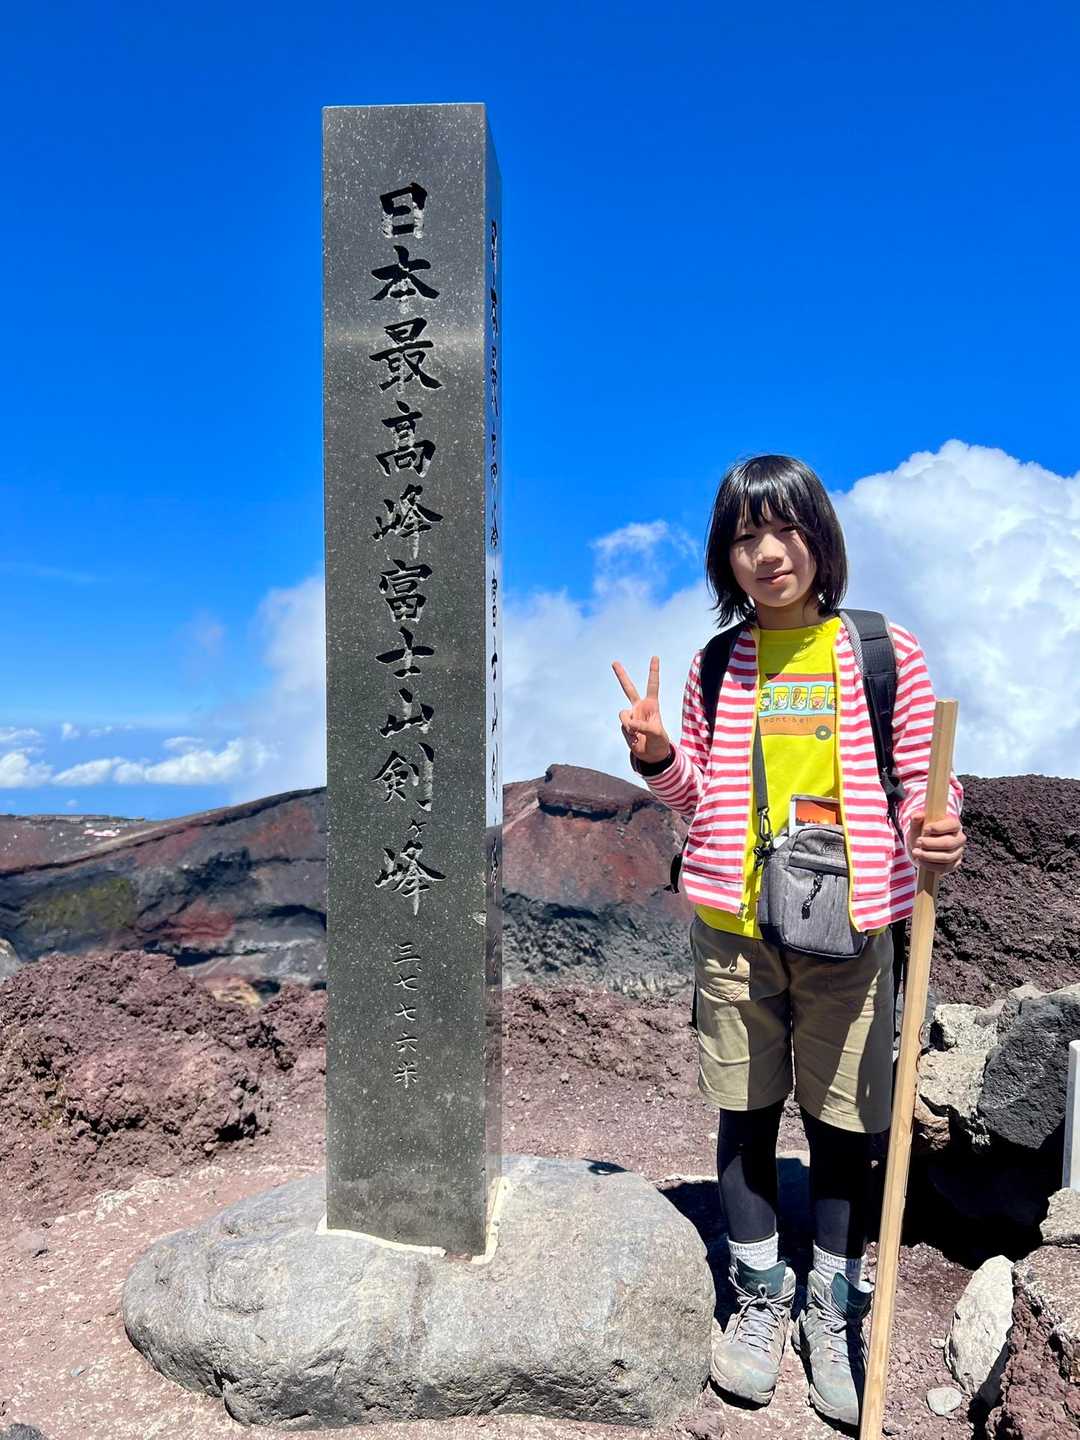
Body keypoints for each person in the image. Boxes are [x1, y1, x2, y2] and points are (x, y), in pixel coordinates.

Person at [611, 455, 965, 1427]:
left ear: (820, 537)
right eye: (744, 537)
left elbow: (919, 782)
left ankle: (832, 1305)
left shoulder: (881, 651)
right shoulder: (716, 665)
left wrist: (937, 827)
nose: (767, 553)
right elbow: (698, 799)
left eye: (785, 529)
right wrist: (657, 756)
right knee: (747, 1107)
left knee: (846, 1120)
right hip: (735, 929)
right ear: (724, 557)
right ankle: (761, 1296)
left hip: (849, 926)